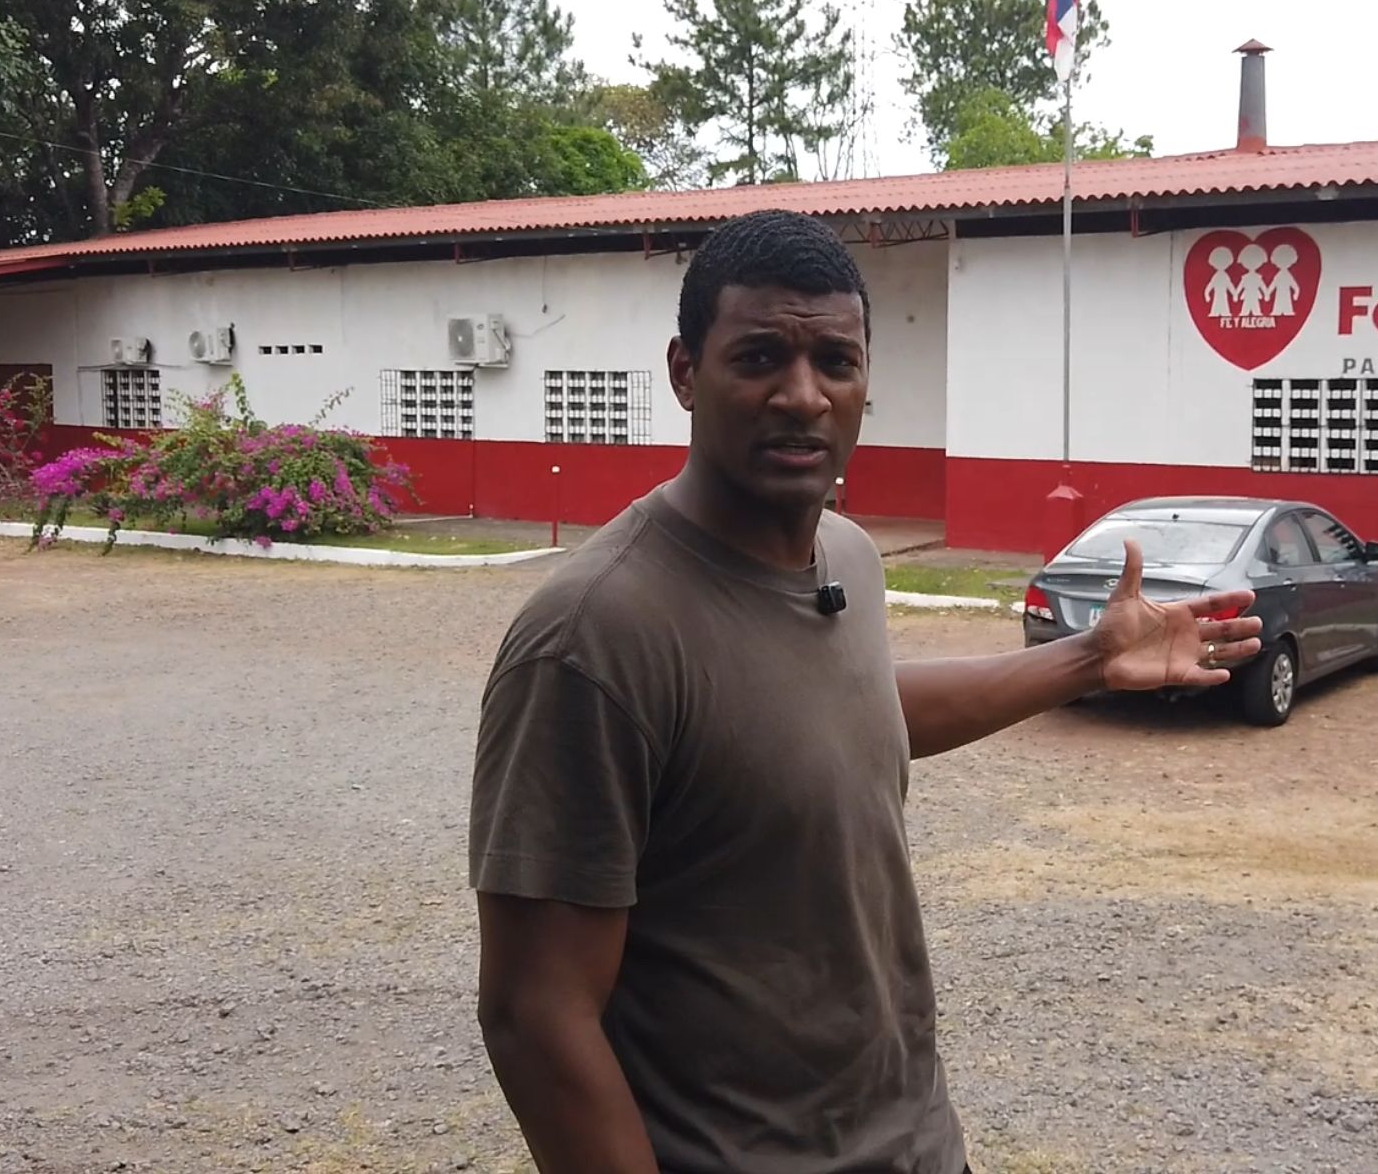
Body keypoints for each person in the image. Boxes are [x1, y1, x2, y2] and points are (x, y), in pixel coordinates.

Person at [469, 208, 1263, 1174]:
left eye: (835, 364)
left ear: (864, 382)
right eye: (759, 357)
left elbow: (839, 718)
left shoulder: (844, 553)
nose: (801, 396)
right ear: (685, 371)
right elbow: (534, 1015)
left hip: (915, 1142)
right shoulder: (594, 636)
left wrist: (1088, 660)